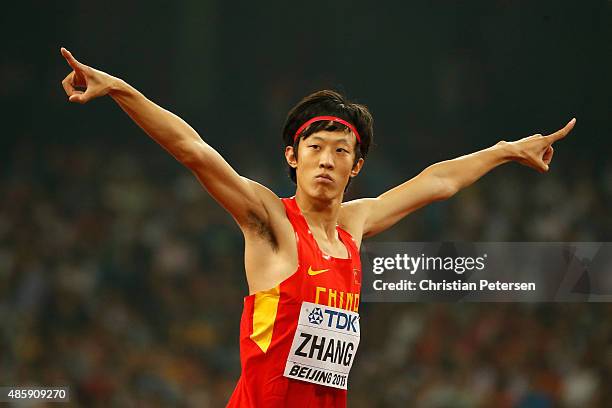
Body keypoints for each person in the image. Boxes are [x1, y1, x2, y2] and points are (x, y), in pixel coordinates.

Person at [60, 47, 576, 407]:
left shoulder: (356, 223)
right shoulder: (269, 220)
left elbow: (437, 181)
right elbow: (194, 151)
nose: (326, 161)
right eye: (314, 149)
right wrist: (121, 90)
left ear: (356, 167)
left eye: (341, 152)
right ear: (292, 157)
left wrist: (507, 150)